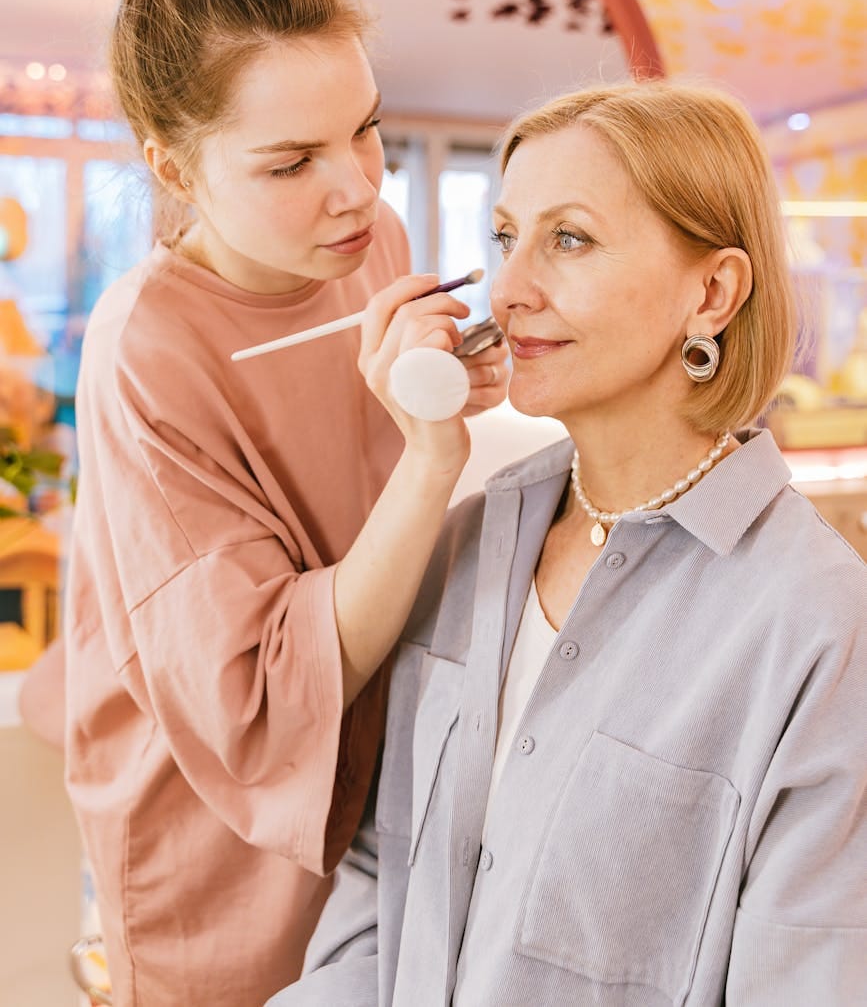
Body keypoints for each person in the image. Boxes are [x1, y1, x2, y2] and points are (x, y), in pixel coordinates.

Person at [271, 79, 867, 1007]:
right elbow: (382, 874)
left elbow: (808, 975)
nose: (508, 291)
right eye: (505, 237)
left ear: (711, 292)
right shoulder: (464, 546)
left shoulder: (817, 624)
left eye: (570, 239)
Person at [62, 0, 507, 1007]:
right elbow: (260, 693)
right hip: (222, 815)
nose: (357, 187)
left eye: (365, 127)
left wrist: (460, 374)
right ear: (173, 164)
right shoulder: (145, 346)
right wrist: (430, 455)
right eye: (291, 161)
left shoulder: (377, 248)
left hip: (379, 770)